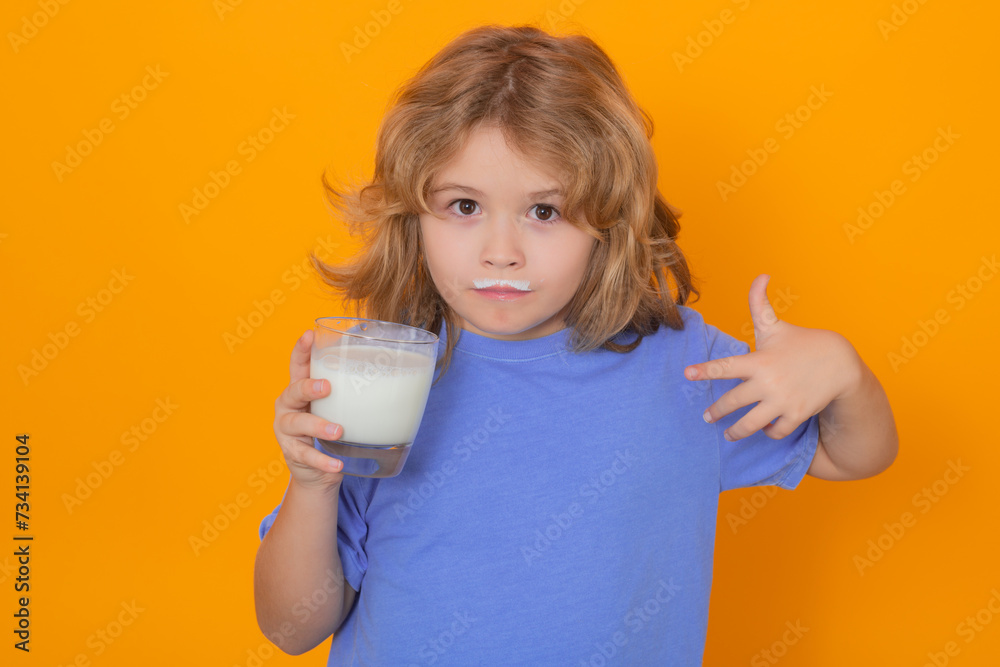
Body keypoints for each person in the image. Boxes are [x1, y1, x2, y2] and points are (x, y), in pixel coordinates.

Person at [254, 23, 898, 665]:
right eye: (464, 206)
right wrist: (312, 484)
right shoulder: (382, 376)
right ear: (412, 215)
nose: (501, 252)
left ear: (608, 225)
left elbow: (853, 455)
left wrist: (843, 372)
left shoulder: (684, 368)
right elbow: (291, 629)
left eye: (545, 212)